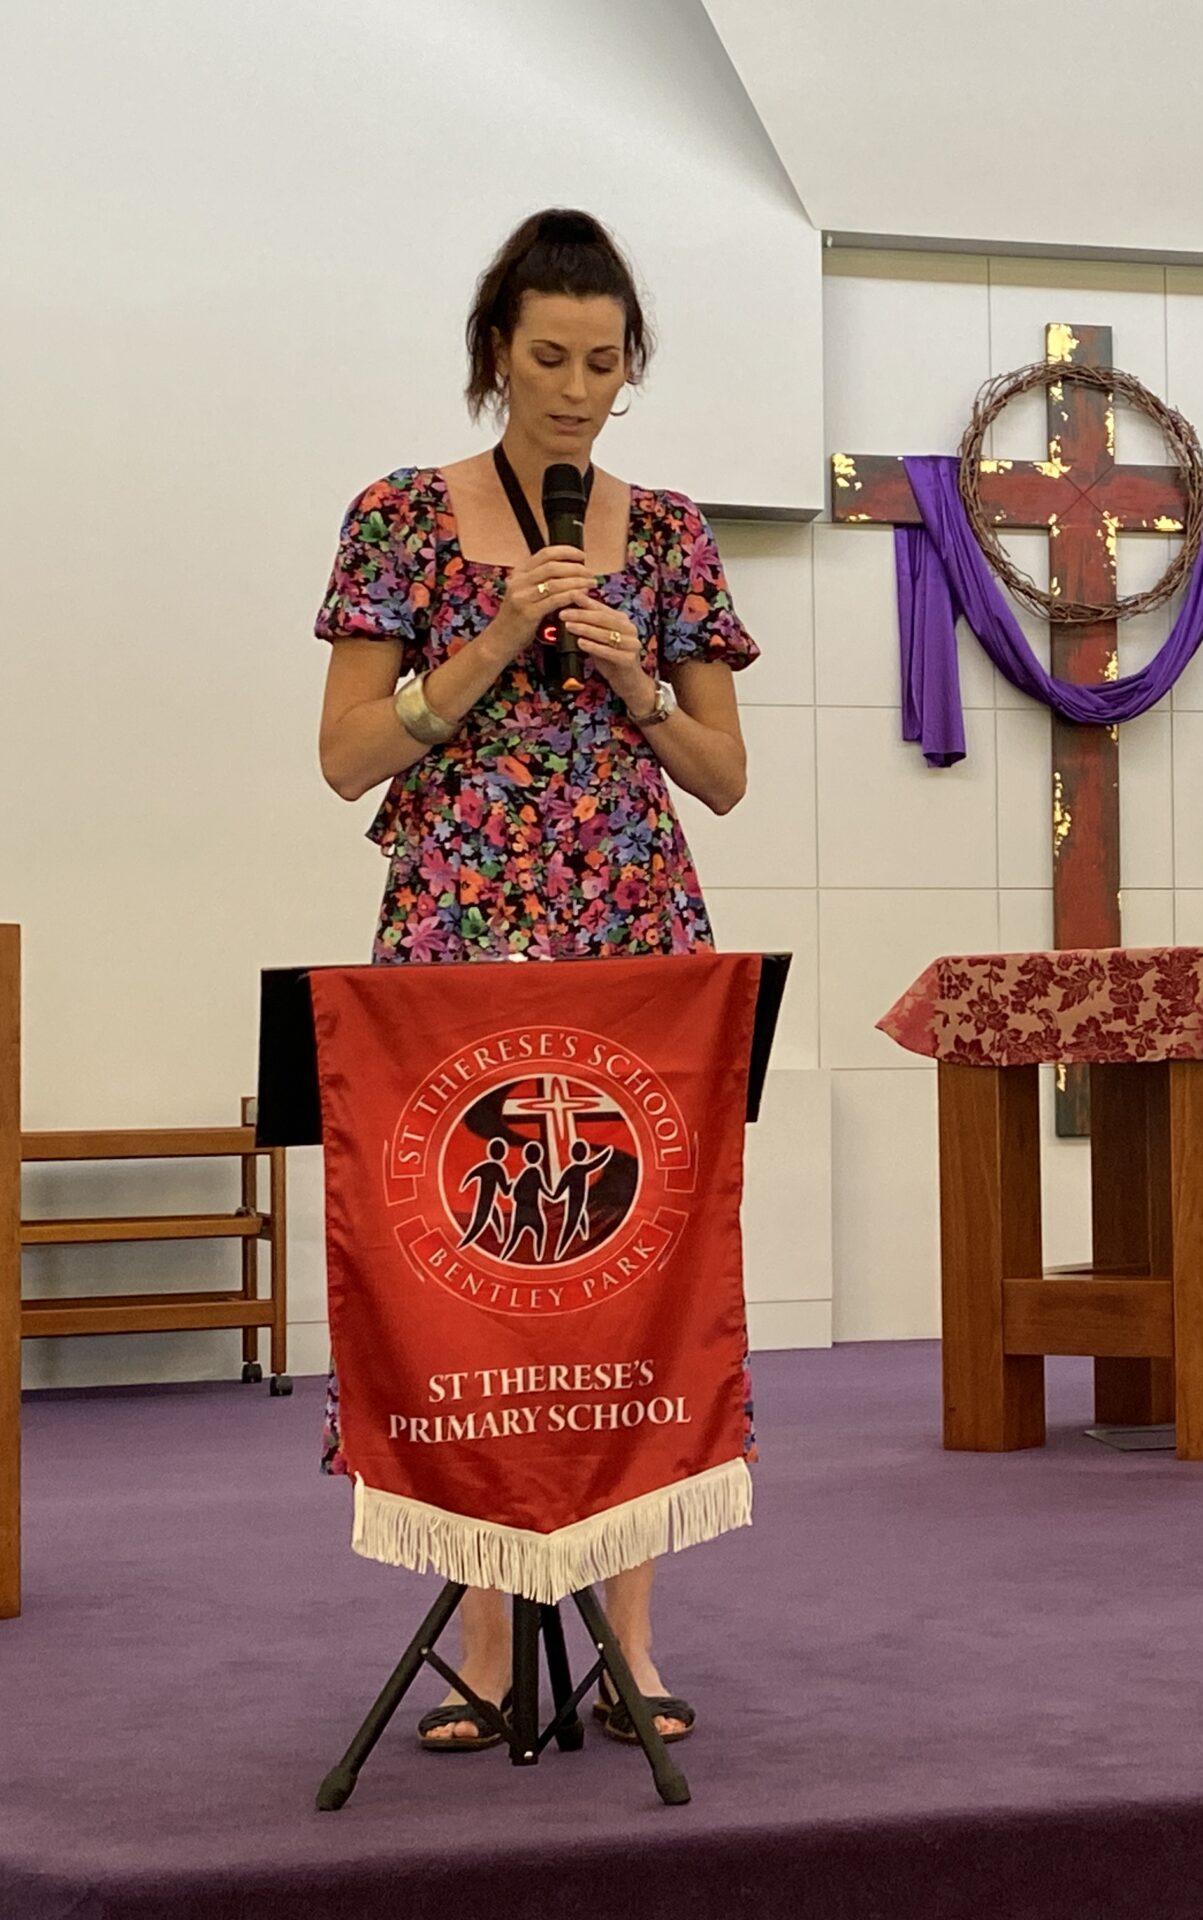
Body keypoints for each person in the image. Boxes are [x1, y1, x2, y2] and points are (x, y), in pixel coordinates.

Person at [314, 207, 756, 1751]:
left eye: (603, 362)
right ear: (495, 352)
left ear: (633, 367)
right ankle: (490, 1644)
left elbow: (725, 778)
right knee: (472, 1271)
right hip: (458, 923)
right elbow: (345, 757)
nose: (577, 391)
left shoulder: (673, 534)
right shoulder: (399, 516)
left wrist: (636, 681)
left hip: (631, 922)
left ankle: (634, 1638)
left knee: (631, 1268)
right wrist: (489, 645)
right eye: (550, 357)